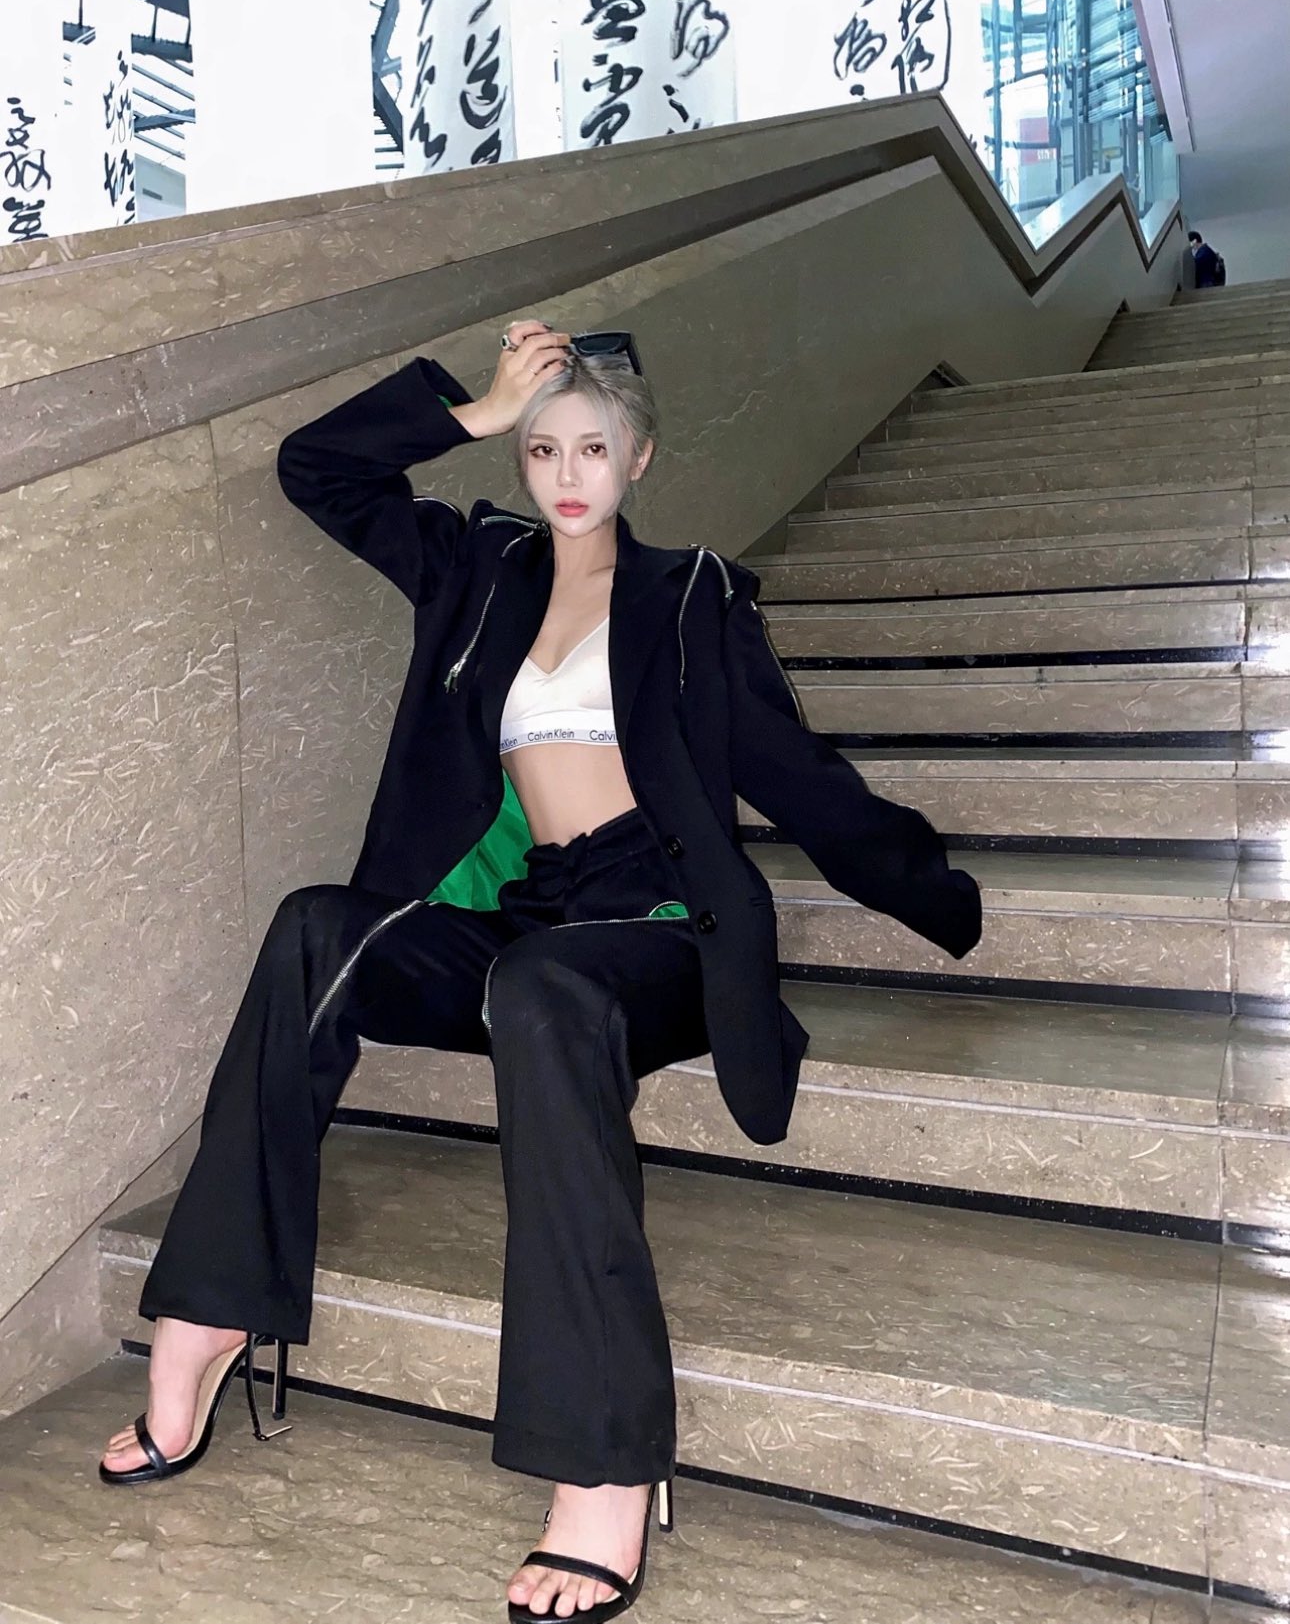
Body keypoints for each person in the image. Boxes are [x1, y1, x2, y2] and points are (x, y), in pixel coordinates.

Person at [97, 318, 983, 1620]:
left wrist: (936, 896)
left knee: (546, 991)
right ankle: (214, 1310)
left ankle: (604, 1459)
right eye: (543, 447)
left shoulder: (693, 597)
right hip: (524, 910)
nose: (568, 473)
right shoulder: (476, 569)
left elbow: (800, 776)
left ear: (639, 458)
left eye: (594, 448)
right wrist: (474, 405)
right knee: (314, 928)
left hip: (656, 930)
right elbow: (316, 469)